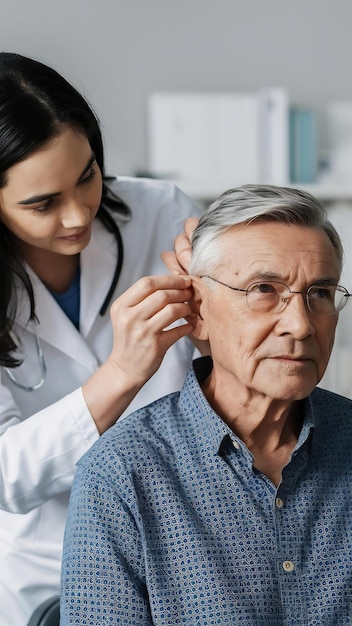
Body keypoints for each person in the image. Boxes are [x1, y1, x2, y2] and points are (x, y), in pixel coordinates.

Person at [61, 184, 352, 625]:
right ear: (196, 307)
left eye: (321, 293)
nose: (300, 325)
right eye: (264, 289)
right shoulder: (120, 476)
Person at [0, 52, 201, 626]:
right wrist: (121, 372)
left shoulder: (160, 212)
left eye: (87, 175)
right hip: (45, 564)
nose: (77, 215)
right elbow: (6, 474)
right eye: (42, 203)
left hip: (178, 533)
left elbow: (226, 373)